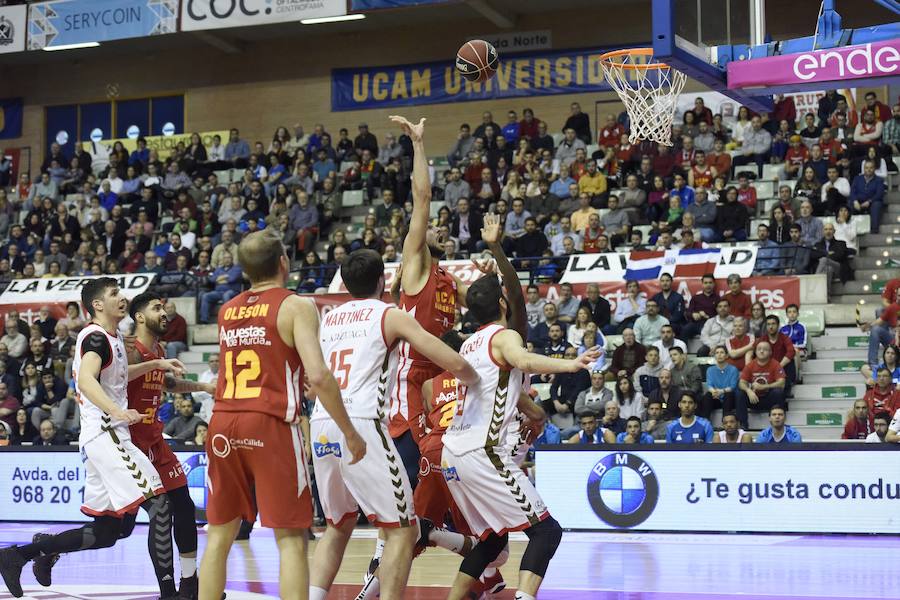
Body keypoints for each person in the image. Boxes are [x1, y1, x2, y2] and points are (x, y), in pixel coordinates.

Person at [199, 231, 368, 600]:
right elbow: (320, 375)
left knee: (218, 536)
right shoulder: (295, 305)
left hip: (223, 422)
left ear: (244, 271)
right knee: (291, 539)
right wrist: (350, 432)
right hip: (269, 423)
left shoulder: (227, 309)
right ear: (283, 263)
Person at [309, 250, 478, 600]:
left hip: (322, 422)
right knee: (402, 530)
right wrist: (473, 375)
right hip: (362, 422)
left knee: (336, 527)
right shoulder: (390, 315)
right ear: (382, 281)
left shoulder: (328, 318)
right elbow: (443, 355)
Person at [0, 278, 180, 599]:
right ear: (98, 305)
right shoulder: (96, 338)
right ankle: (170, 594)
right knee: (160, 506)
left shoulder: (110, 339)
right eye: (114, 294)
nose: (121, 297)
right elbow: (85, 379)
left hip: (99, 440)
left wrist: (156, 363)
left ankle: (21, 555)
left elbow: (119, 375)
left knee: (110, 531)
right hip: (108, 435)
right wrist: (118, 411)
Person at [441, 274, 596, 600]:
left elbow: (499, 386)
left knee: (493, 539)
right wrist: (572, 364)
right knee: (546, 531)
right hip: (481, 450)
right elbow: (523, 359)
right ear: (501, 303)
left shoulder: (470, 342)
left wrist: (531, 412)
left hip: (453, 453)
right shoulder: (503, 336)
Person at [118, 292, 217, 597]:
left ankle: (188, 582)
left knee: (184, 508)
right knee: (116, 530)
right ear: (139, 317)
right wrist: (156, 362)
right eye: (157, 308)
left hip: (156, 442)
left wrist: (204, 386)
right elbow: (115, 378)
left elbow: (169, 384)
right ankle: (43, 550)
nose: (164, 312)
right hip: (128, 446)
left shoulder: (158, 347)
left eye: (164, 308)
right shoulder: (127, 348)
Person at [736, 341, 786, 430]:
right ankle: (743, 424)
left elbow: (782, 383)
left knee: (778, 392)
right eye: (759, 349)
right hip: (754, 399)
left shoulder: (775, 364)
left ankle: (778, 423)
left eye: (765, 349)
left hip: (769, 400)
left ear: (770, 352)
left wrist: (764, 387)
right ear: (755, 352)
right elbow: (741, 382)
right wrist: (748, 391)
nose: (762, 351)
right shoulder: (750, 365)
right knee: (740, 394)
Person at [681, 274, 718, 341]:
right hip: (695, 323)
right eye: (705, 283)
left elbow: (720, 316)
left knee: (706, 331)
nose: (708, 285)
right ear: (702, 284)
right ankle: (682, 350)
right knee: (685, 329)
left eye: (710, 283)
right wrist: (693, 314)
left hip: (710, 324)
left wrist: (707, 316)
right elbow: (688, 313)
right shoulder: (695, 298)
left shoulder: (717, 298)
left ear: (714, 284)